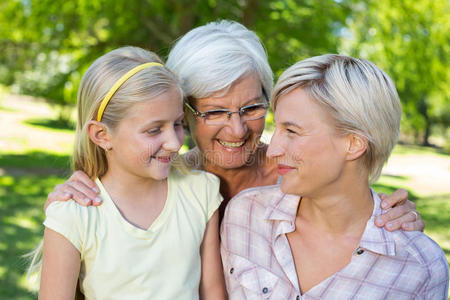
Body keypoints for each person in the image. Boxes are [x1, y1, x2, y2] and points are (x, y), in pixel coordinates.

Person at [45, 20, 424, 232]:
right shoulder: (157, 177)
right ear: (183, 112)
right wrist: (73, 200)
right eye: (214, 112)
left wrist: (392, 218)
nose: (238, 130)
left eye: (252, 107)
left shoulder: (300, 176)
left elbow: (355, 219)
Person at [221, 54, 449, 299]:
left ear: (353, 144)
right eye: (276, 128)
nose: (273, 149)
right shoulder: (244, 216)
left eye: (291, 131)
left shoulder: (420, 269)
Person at [33, 46, 226, 299]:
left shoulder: (201, 191)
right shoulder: (73, 215)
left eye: (178, 124)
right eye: (154, 130)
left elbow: (212, 292)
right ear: (102, 135)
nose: (174, 142)